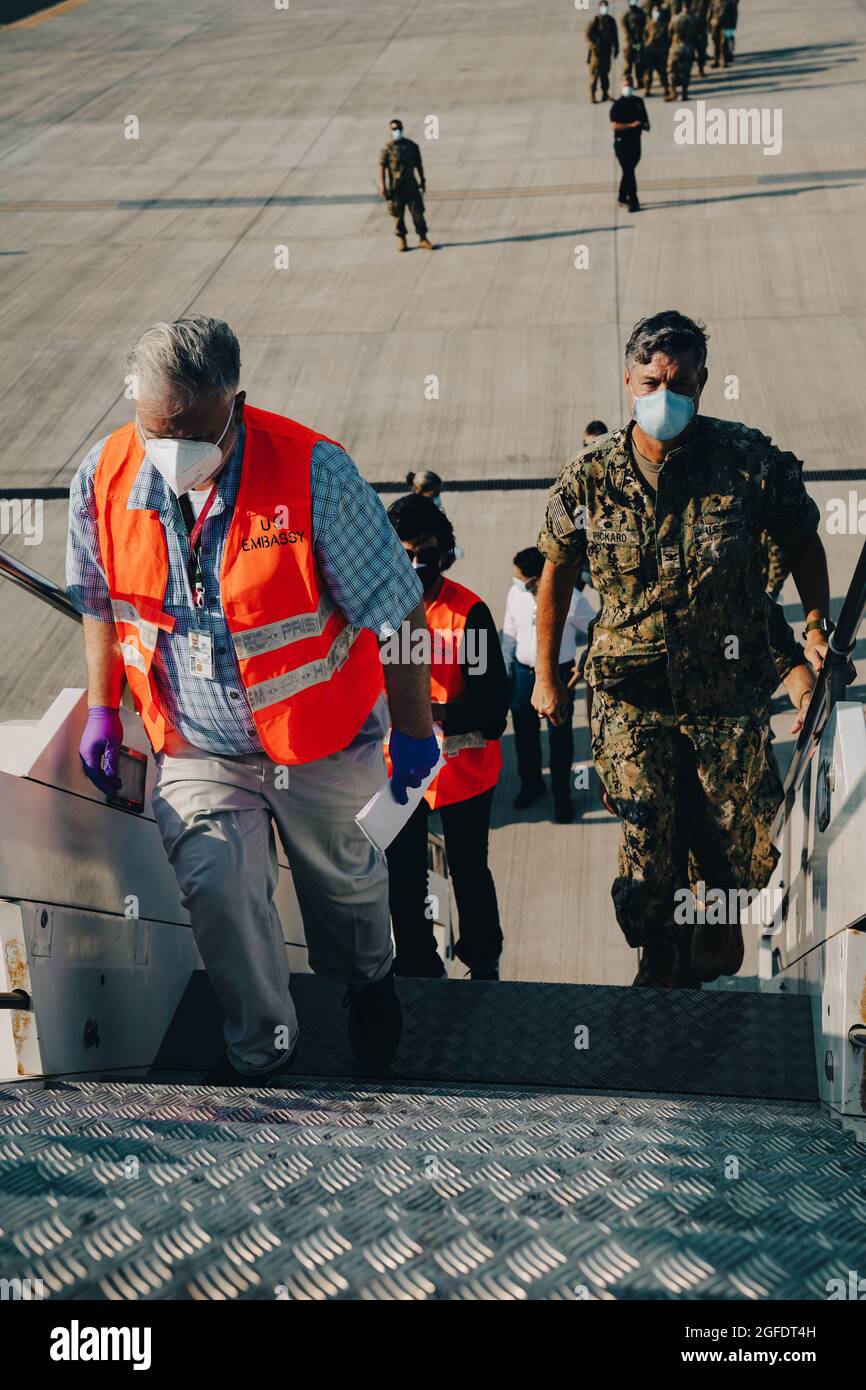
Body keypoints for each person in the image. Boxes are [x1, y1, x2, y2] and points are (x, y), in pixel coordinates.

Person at [67, 316, 440, 1083]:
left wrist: (412, 729)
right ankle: (260, 1049)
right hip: (200, 743)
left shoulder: (314, 474)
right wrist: (105, 710)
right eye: (154, 430)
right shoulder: (102, 477)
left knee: (346, 892)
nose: (171, 450)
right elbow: (99, 602)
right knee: (217, 887)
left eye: (193, 432)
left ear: (236, 404)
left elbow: (397, 606)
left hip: (320, 738)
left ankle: (368, 981)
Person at [533, 310, 831, 988]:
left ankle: (712, 941)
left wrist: (814, 627)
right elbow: (556, 572)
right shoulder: (591, 477)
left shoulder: (747, 460)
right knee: (648, 838)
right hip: (630, 693)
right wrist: (546, 675)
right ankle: (657, 963)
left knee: (733, 846)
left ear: (702, 382)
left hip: (723, 694)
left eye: (681, 384)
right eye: (650, 381)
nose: (665, 396)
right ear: (629, 381)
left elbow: (802, 536)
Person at [384, 495, 509, 981]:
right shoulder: (377, 615)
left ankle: (483, 960)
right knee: (403, 877)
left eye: (427, 553)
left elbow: (493, 712)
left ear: (446, 551)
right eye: (405, 553)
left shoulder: (467, 615)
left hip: (463, 773)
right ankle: (416, 963)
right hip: (402, 770)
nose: (417, 565)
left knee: (469, 871)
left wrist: (426, 714)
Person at [503, 547, 595, 823]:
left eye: (521, 578)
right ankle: (531, 784)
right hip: (523, 675)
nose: (516, 582)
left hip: (559, 676)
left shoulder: (573, 601)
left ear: (535, 578)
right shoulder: (515, 595)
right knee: (525, 736)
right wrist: (509, 674)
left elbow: (595, 630)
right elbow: (509, 634)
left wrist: (584, 663)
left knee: (560, 739)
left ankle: (561, 795)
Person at [378, 118, 434, 252]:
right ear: (390, 130)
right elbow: (382, 168)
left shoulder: (412, 146)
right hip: (396, 188)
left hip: (411, 186)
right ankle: (402, 241)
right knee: (398, 216)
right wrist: (383, 187)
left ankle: (423, 239)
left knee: (418, 213)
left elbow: (419, 165)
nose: (396, 131)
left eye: (398, 128)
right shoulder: (387, 148)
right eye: (394, 129)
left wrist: (423, 180)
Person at [610, 79, 650, 213]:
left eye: (629, 85)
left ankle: (622, 196)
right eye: (625, 86)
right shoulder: (618, 105)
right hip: (622, 143)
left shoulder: (638, 102)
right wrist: (631, 125)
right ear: (621, 88)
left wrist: (644, 125)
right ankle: (633, 201)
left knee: (629, 170)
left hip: (636, 142)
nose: (628, 88)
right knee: (629, 171)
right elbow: (614, 125)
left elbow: (645, 119)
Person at [586, 1, 619, 103]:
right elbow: (587, 35)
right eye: (602, 7)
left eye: (606, 6)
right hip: (596, 53)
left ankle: (605, 94)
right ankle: (593, 95)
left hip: (606, 51)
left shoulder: (611, 20)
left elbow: (615, 36)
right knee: (595, 74)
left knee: (605, 73)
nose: (604, 8)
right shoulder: (595, 20)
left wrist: (616, 48)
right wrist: (593, 46)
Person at [666, 0, 697, 100]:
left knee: (672, 70)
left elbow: (669, 32)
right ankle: (684, 93)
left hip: (675, 48)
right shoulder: (693, 19)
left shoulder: (674, 18)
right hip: (687, 48)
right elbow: (695, 34)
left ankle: (673, 92)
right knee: (686, 71)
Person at [642, 4, 671, 98]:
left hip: (660, 51)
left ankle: (666, 88)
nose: (656, 13)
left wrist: (666, 49)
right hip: (649, 52)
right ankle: (647, 89)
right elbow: (644, 37)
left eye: (657, 11)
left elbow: (668, 38)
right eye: (654, 11)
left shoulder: (664, 24)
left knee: (662, 71)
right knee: (648, 72)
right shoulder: (648, 24)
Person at [621, 0, 647, 87]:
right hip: (629, 43)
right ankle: (627, 83)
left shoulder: (641, 13)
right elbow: (624, 28)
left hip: (639, 41)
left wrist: (641, 38)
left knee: (639, 62)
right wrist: (631, 39)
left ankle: (640, 81)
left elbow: (645, 25)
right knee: (628, 64)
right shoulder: (626, 15)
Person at [709, 0, 736, 67]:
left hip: (726, 25)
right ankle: (716, 61)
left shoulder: (729, 2)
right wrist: (710, 23)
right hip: (715, 25)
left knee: (724, 43)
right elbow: (711, 14)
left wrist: (732, 26)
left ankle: (724, 60)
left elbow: (734, 14)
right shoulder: (713, 2)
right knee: (715, 43)